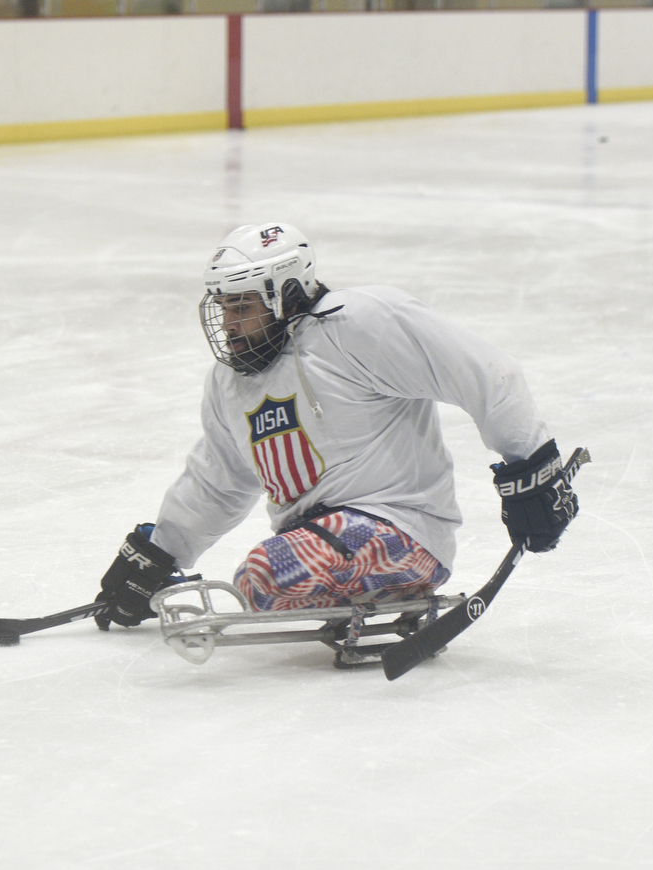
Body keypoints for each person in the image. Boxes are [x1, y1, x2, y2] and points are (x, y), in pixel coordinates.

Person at [95, 223, 578, 637]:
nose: (229, 323)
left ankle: (396, 581)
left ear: (284, 294)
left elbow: (486, 373)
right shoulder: (230, 383)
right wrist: (159, 554)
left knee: (263, 576)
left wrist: (533, 467)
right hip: (319, 537)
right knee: (263, 577)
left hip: (405, 528)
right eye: (223, 307)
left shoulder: (360, 325)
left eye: (242, 307)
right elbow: (217, 480)